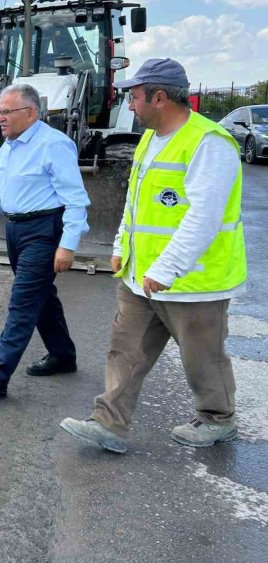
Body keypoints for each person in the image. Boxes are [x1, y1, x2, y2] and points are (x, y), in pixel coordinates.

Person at [60, 58, 245, 454]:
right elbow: (136, 204)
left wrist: (167, 268)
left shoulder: (209, 143)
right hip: (138, 275)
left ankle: (218, 419)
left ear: (159, 97)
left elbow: (204, 216)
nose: (129, 105)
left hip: (193, 280)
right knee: (125, 351)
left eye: (135, 96)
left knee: (202, 357)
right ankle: (109, 423)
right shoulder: (149, 138)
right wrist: (119, 245)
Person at [0, 83, 90, 397]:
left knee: (23, 302)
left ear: (30, 113)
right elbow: (1, 194)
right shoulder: (8, 147)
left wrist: (67, 244)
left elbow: (75, 200)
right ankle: (62, 356)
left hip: (43, 232)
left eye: (6, 112)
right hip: (15, 231)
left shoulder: (53, 145)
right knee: (41, 296)